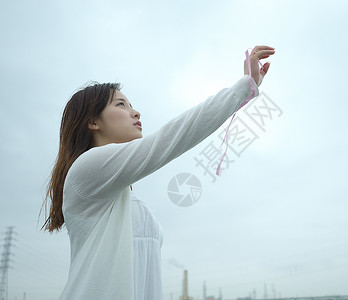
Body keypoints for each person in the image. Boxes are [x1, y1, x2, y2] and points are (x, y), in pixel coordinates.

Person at [41, 45, 275, 300]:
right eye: (121, 104)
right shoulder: (86, 170)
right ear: (93, 122)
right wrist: (245, 87)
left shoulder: (128, 199)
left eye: (131, 104)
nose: (136, 111)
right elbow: (174, 136)